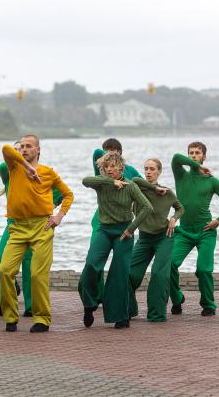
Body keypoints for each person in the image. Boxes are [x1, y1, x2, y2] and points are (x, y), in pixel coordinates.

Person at [0, 135, 74, 333]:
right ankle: (11, 317)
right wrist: (26, 164)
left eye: (29, 146)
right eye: (22, 146)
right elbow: (6, 148)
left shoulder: (48, 172)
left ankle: (42, 319)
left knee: (37, 274)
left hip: (42, 227)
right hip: (18, 228)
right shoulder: (14, 167)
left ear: (38, 150)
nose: (24, 149)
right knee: (4, 270)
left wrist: (59, 216)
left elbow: (68, 195)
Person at [0, 141, 64, 317]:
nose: (19, 152)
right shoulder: (9, 171)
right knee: (1, 263)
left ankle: (32, 307)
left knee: (31, 267)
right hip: (14, 225)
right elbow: (3, 161)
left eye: (22, 149)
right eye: (16, 150)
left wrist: (50, 210)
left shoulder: (43, 173)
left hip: (38, 225)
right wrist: (22, 162)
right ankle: (2, 298)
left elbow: (60, 195)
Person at [79, 151, 152, 329]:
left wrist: (131, 229)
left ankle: (121, 316)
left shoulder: (130, 186)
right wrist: (110, 181)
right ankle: (89, 305)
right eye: (106, 167)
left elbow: (146, 207)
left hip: (123, 232)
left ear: (121, 167)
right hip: (104, 230)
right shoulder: (102, 184)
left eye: (113, 166)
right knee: (91, 264)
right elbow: (86, 181)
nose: (110, 169)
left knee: (119, 274)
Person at [169, 142, 219, 316]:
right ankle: (177, 298)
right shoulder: (181, 175)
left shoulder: (212, 181)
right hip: (183, 231)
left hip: (205, 231)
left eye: (197, 153)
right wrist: (197, 166)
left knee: (203, 270)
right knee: (169, 265)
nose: (193, 155)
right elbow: (176, 158)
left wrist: (218, 221)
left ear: (204, 156)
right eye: (191, 153)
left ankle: (208, 304)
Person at [128, 159, 185, 322]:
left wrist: (174, 218)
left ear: (159, 171)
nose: (148, 172)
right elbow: (134, 180)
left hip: (164, 237)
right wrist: (154, 188)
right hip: (144, 239)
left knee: (159, 275)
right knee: (129, 274)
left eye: (152, 169)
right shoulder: (138, 189)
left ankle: (156, 315)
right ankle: (129, 310)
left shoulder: (167, 193)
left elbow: (181, 207)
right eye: (146, 169)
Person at [88, 138, 142, 308]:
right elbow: (97, 153)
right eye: (107, 151)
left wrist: (156, 188)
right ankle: (98, 296)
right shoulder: (101, 168)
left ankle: (127, 304)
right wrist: (107, 159)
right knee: (94, 262)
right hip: (101, 221)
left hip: (122, 220)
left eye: (115, 151)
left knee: (121, 267)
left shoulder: (130, 170)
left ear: (121, 154)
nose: (110, 154)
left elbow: (142, 185)